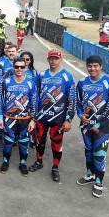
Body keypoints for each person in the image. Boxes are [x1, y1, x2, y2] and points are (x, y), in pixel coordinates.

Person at [29, 49, 76, 182]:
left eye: (56, 58)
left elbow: (72, 99)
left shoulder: (67, 76)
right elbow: (36, 95)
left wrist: (69, 119)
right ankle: (39, 161)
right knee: (39, 140)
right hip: (42, 117)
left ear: (61, 59)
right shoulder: (42, 75)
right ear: (48, 59)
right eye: (51, 58)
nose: (53, 61)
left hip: (58, 118)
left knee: (56, 143)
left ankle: (55, 167)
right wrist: (34, 115)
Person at [76, 55, 109, 198]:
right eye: (90, 66)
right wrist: (81, 115)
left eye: (95, 66)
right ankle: (90, 174)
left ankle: (99, 182)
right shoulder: (82, 82)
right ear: (87, 66)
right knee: (88, 151)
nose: (92, 68)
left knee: (99, 154)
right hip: (86, 125)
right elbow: (78, 103)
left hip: (102, 128)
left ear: (101, 66)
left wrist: (98, 124)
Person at [0, 57, 37, 176]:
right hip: (8, 118)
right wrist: (0, 117)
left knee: (24, 141)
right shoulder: (6, 81)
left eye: (22, 67)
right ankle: (5, 162)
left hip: (25, 119)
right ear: (13, 67)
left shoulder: (31, 82)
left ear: (25, 67)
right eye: (16, 67)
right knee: (8, 140)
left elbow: (34, 102)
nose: (19, 69)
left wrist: (33, 120)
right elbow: (0, 101)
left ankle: (23, 163)